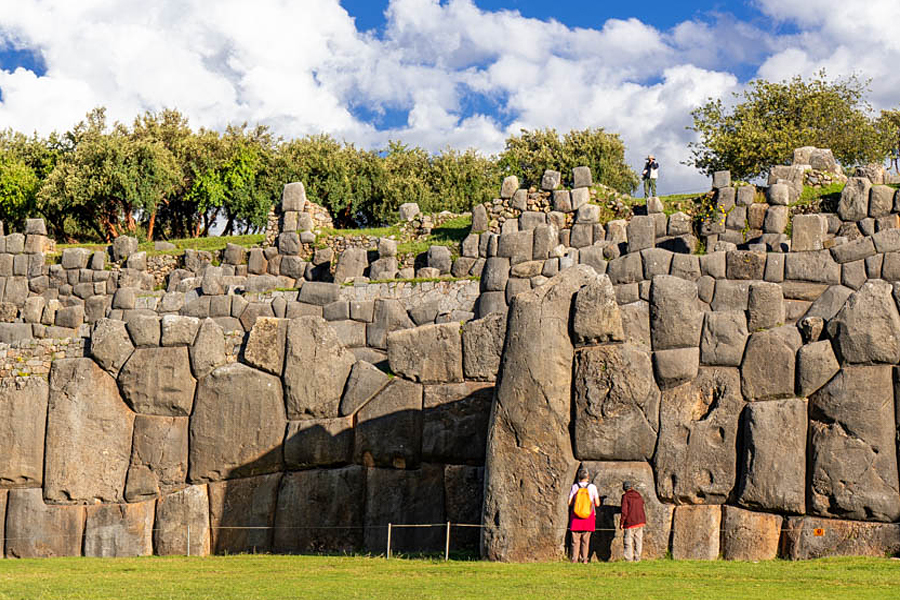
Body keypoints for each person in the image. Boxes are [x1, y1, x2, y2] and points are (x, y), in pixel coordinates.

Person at [568, 468, 601, 563]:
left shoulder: (574, 487)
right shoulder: (592, 487)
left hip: (576, 515)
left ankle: (574, 559)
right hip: (588, 515)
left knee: (575, 539)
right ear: (588, 477)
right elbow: (597, 503)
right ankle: (585, 559)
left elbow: (569, 502)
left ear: (579, 477)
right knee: (586, 540)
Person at [620, 481, 646, 562]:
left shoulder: (625, 496)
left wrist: (622, 522)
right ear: (632, 487)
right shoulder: (638, 495)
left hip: (630, 522)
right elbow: (642, 503)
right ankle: (638, 558)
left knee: (628, 541)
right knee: (638, 541)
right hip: (640, 521)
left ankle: (629, 559)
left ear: (624, 488)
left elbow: (624, 511)